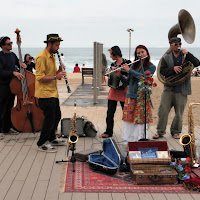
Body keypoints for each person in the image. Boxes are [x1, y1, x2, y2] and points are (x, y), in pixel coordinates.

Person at [154, 37, 200, 139]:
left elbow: (197, 63)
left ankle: (175, 132)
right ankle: (160, 131)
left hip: (182, 89)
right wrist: (172, 69)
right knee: (163, 111)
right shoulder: (166, 57)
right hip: (169, 89)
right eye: (175, 44)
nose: (178, 46)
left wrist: (188, 54)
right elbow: (162, 71)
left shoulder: (186, 55)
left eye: (179, 44)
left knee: (179, 113)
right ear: (170, 45)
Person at [116, 45, 156, 142]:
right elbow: (127, 82)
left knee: (140, 120)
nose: (140, 54)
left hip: (142, 96)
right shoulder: (134, 65)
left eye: (142, 52)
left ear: (147, 53)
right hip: (131, 96)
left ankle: (141, 139)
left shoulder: (151, 66)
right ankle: (130, 140)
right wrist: (119, 75)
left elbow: (144, 77)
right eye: (138, 53)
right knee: (130, 119)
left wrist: (129, 70)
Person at [35, 33, 66, 152]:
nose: (58, 48)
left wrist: (59, 71)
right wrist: (55, 76)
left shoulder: (52, 56)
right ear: (49, 44)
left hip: (53, 92)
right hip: (44, 94)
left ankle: (52, 137)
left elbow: (53, 75)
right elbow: (40, 77)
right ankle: (42, 142)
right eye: (56, 45)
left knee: (57, 115)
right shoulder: (41, 57)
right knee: (49, 118)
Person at [99, 46, 129, 138]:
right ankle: (108, 132)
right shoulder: (113, 64)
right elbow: (111, 78)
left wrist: (120, 73)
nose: (110, 56)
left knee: (126, 113)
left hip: (124, 91)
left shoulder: (127, 63)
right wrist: (109, 72)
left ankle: (128, 132)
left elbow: (129, 76)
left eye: (111, 54)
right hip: (114, 91)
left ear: (115, 53)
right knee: (110, 113)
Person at [0, 36, 26, 135]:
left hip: (13, 86)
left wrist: (22, 65)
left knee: (10, 107)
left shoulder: (13, 55)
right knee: (2, 108)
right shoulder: (0, 56)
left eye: (11, 43)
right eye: (8, 44)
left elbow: (19, 63)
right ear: (2, 46)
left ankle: (7, 128)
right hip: (3, 86)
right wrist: (13, 73)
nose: (11, 45)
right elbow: (1, 72)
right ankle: (2, 129)